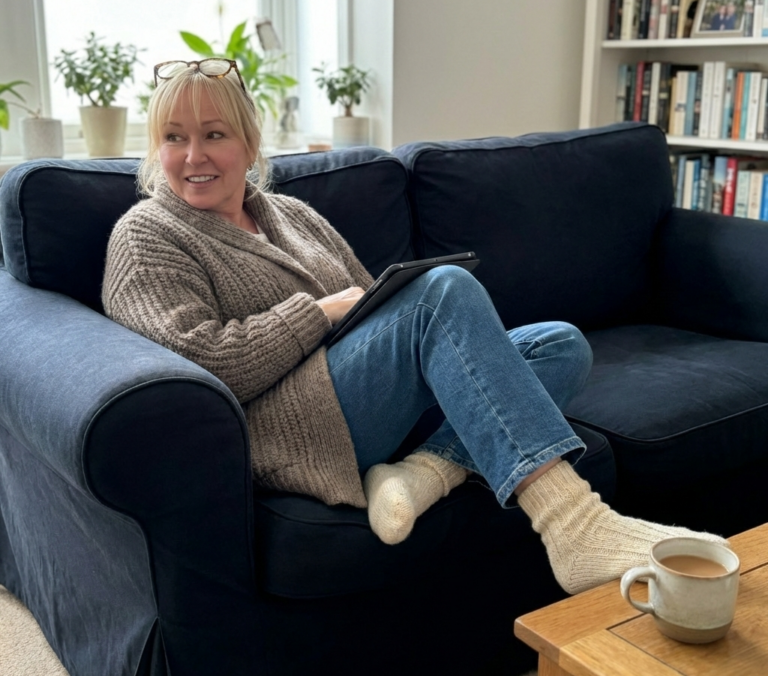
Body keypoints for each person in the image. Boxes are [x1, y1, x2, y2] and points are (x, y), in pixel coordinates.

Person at [102, 58, 725, 596]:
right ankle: (572, 525)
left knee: (558, 343)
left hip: (368, 402)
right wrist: (317, 313)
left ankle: (422, 471)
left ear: (248, 142)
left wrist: (374, 315)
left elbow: (372, 304)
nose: (193, 156)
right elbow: (201, 361)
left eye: (214, 134)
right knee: (441, 292)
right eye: (174, 137)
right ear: (156, 148)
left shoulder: (289, 212)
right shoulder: (148, 234)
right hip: (293, 427)